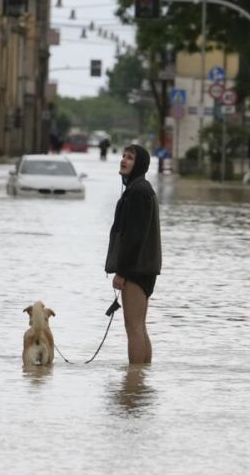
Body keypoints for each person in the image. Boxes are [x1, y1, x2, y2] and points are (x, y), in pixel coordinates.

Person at [105, 144, 162, 364]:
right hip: (143, 268)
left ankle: (135, 383)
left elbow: (134, 237)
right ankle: (140, 381)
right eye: (123, 156)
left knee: (134, 326)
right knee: (139, 325)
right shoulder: (139, 189)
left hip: (136, 269)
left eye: (130, 158)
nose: (124, 160)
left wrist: (122, 272)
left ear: (139, 165)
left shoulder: (138, 192)